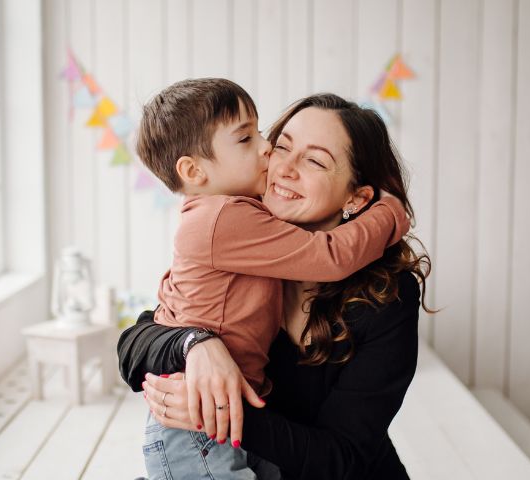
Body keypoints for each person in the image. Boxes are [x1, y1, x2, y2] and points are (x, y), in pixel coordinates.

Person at [120, 93, 434, 479]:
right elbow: (133, 345)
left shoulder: (389, 296)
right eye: (282, 146)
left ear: (356, 197)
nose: (282, 165)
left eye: (315, 160)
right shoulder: (240, 239)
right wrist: (197, 344)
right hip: (238, 457)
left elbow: (344, 456)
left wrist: (221, 412)